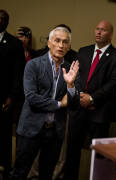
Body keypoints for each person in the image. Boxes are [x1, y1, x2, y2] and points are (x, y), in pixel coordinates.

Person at [9, 27, 80, 180]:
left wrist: (71, 85)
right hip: (30, 128)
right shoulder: (33, 65)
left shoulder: (70, 69)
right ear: (49, 43)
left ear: (68, 47)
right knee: (19, 173)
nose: (61, 45)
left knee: (47, 174)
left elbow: (74, 104)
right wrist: (59, 104)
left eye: (65, 42)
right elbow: (32, 98)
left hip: (54, 132)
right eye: (57, 41)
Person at [64, 20, 116, 180]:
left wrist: (92, 98)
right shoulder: (83, 51)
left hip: (100, 113)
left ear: (111, 35)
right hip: (78, 110)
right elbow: (75, 75)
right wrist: (79, 95)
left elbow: (114, 83)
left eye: (103, 30)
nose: (99, 32)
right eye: (97, 29)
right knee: (72, 152)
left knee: (98, 156)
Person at [0, 9, 25, 179]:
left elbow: (18, 73)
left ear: (8, 22)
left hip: (4, 98)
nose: (0, 21)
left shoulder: (14, 44)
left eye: (4, 19)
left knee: (4, 136)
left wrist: (12, 96)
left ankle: (5, 169)